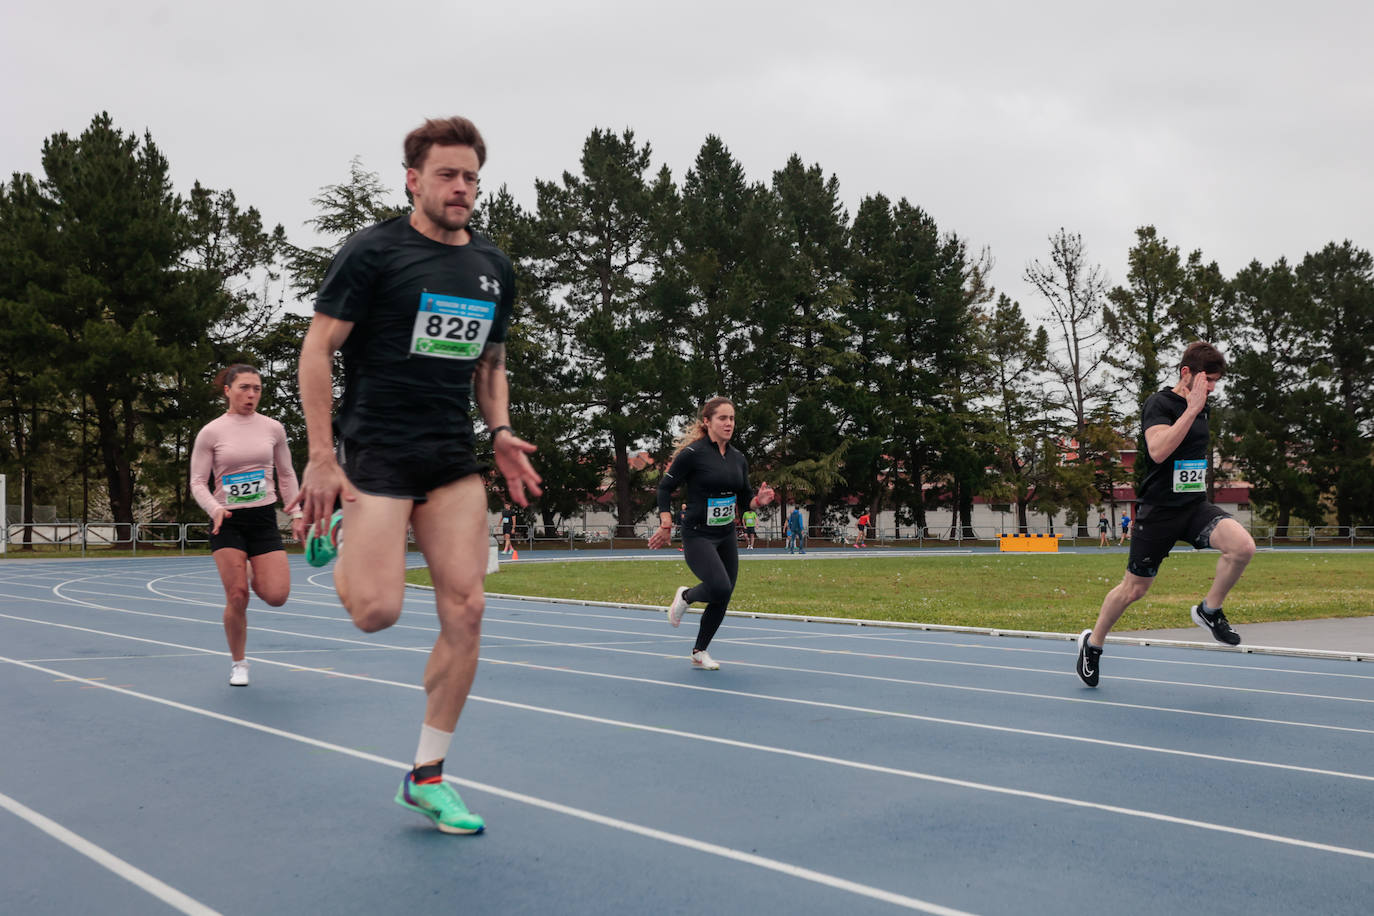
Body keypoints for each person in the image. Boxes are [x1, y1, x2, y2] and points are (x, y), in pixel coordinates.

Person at [290, 117, 542, 834]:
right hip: (375, 454)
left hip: (450, 458)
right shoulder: (373, 252)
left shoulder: (493, 268)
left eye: (470, 177)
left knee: (467, 609)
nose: (460, 188)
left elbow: (490, 365)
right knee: (377, 613)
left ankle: (428, 773)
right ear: (413, 179)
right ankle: (342, 530)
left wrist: (497, 432)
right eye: (446, 175)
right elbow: (317, 351)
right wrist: (321, 457)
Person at [1076, 342, 1256, 686]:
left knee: (1243, 547)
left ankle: (1209, 610)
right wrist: (1191, 409)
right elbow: (1157, 452)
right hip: (1158, 511)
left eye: (1216, 382)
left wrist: (1198, 406)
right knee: (1134, 589)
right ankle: (1093, 644)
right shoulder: (1159, 404)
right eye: (1208, 380)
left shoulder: (1204, 406)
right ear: (1186, 373)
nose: (1212, 389)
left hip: (1192, 507)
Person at [190, 364, 307, 687]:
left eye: (256, 388)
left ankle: (251, 569)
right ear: (228, 391)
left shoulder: (273, 428)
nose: (251, 394)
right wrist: (213, 508)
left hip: (263, 518)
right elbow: (198, 481)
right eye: (244, 387)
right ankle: (239, 662)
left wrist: (296, 514)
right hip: (226, 520)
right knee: (238, 594)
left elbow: (286, 475)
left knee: (276, 595)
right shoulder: (211, 432)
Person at [648, 397, 775, 669]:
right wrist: (666, 522)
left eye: (732, 418)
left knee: (724, 594)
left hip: (726, 534)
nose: (729, 423)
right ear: (707, 422)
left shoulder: (738, 458)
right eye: (722, 418)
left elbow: (745, 498)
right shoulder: (693, 454)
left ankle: (699, 651)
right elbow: (663, 489)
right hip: (698, 534)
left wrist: (758, 502)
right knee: (718, 586)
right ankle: (686, 597)